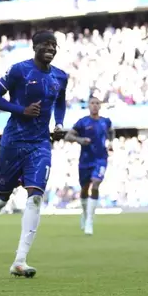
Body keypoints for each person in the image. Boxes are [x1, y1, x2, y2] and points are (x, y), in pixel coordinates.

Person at [0, 30, 67, 278]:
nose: (51, 48)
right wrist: (21, 110)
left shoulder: (60, 76)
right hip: (13, 141)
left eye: (54, 45)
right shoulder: (18, 70)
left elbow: (60, 102)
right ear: (34, 47)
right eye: (46, 44)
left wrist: (58, 124)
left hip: (40, 144)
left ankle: (20, 260)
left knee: (36, 196)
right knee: (1, 198)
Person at [65, 96, 114, 235]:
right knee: (85, 188)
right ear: (88, 105)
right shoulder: (83, 122)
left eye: (97, 103)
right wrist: (80, 139)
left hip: (101, 159)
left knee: (96, 183)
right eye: (92, 103)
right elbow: (68, 136)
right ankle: (85, 214)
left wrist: (110, 142)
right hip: (85, 160)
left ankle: (89, 221)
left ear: (100, 106)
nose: (94, 105)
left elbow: (111, 131)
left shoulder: (106, 121)